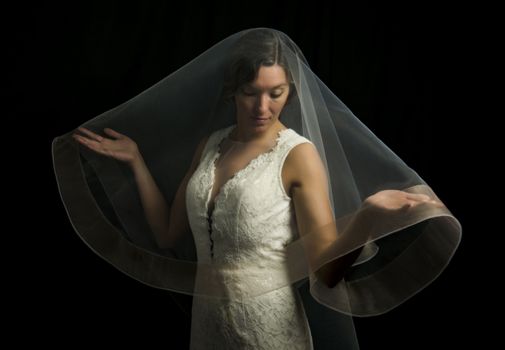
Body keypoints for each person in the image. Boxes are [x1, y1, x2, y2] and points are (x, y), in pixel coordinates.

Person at [53, 28, 461, 349]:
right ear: (232, 90)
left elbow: (326, 273)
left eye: (276, 93)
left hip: (270, 334)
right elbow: (167, 234)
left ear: (290, 91)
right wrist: (137, 162)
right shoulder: (211, 145)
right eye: (250, 93)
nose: (262, 107)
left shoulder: (298, 155)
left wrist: (368, 217)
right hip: (207, 332)